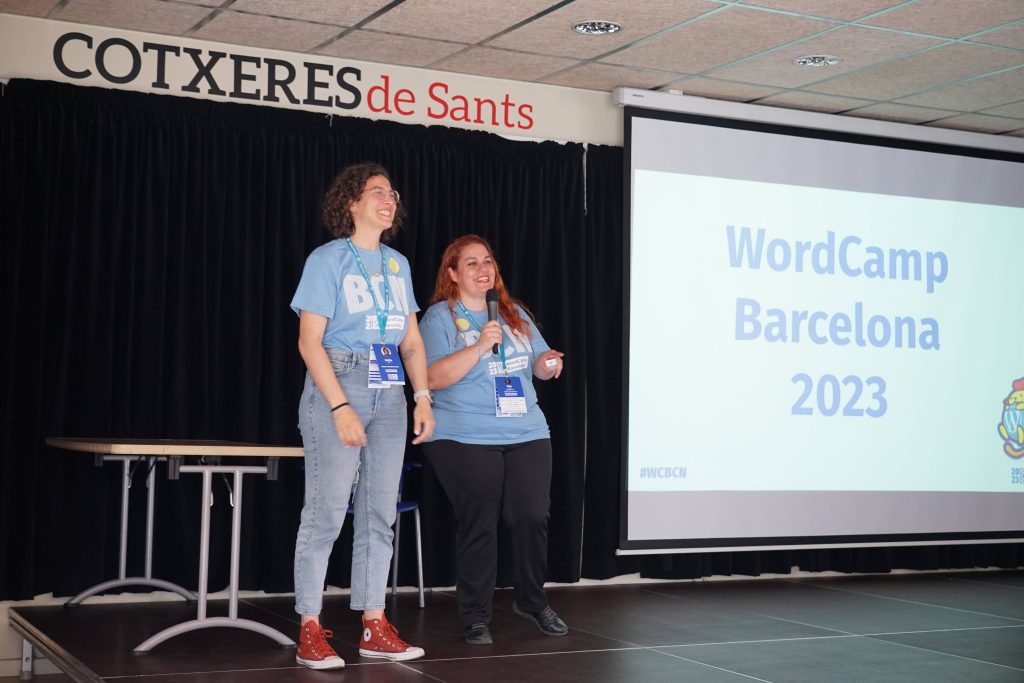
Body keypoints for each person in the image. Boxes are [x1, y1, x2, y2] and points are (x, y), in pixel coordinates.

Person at [290, 162, 434, 670]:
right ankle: (310, 625)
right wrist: (339, 406)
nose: (388, 198)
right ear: (351, 203)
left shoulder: (397, 265)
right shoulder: (328, 260)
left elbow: (411, 341)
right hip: (341, 380)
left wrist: (422, 397)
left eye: (392, 192)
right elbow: (310, 342)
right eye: (377, 192)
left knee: (379, 514)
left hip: (390, 388)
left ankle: (374, 623)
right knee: (327, 511)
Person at [419, 234, 567, 645]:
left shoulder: (514, 313)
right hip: (464, 435)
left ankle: (532, 601)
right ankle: (475, 614)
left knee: (531, 515)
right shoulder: (439, 319)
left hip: (526, 429)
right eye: (471, 263)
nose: (483, 269)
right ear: (452, 273)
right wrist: (481, 346)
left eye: (487, 261)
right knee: (480, 520)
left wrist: (547, 362)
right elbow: (431, 378)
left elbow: (537, 365)